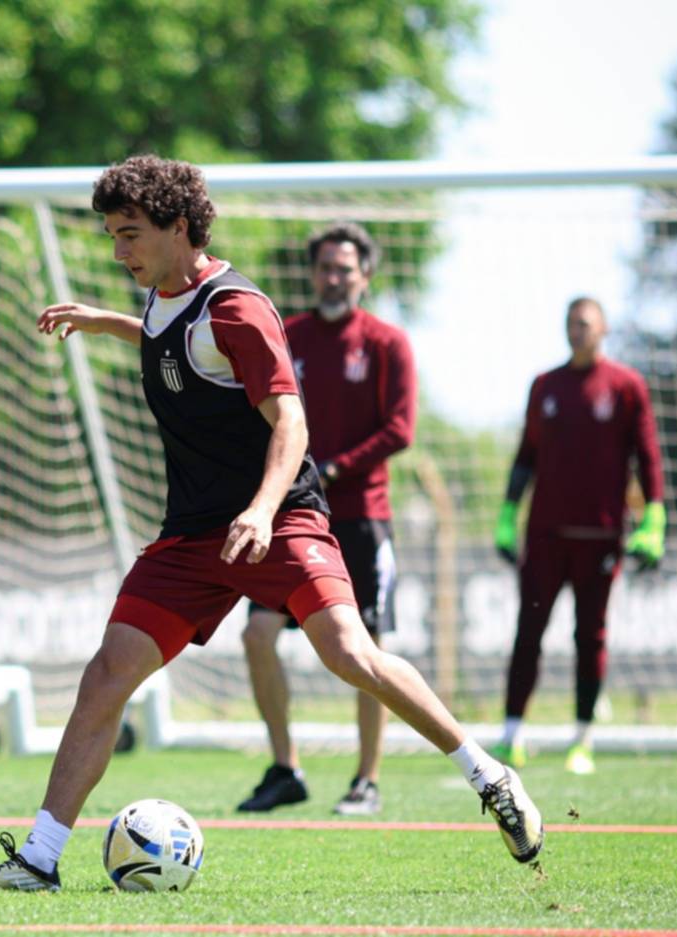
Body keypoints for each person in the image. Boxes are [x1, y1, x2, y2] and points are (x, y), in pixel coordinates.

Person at [0, 155, 541, 893]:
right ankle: (39, 859)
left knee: (350, 654)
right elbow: (178, 347)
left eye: (130, 234)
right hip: (193, 533)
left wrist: (262, 510)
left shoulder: (237, 307)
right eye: (112, 235)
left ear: (178, 227)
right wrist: (107, 323)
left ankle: (489, 776)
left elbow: (291, 421)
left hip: (280, 518)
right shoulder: (162, 298)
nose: (118, 250)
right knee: (106, 675)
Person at [237, 223, 416, 816]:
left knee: (365, 650)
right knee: (257, 635)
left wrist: (335, 468)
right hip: (294, 516)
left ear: (365, 275)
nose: (333, 278)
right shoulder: (287, 335)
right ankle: (285, 767)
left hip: (362, 519)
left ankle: (367, 779)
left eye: (345, 269)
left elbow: (400, 429)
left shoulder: (387, 342)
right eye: (324, 268)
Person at [491, 296, 664, 776]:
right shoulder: (545, 385)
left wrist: (654, 519)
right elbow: (526, 455)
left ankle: (583, 739)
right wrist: (508, 513)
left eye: (585, 323)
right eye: (571, 323)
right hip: (546, 536)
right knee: (529, 631)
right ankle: (511, 734)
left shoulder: (626, 386)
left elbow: (647, 456)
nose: (577, 330)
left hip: (601, 538)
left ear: (603, 328)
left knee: (590, 636)